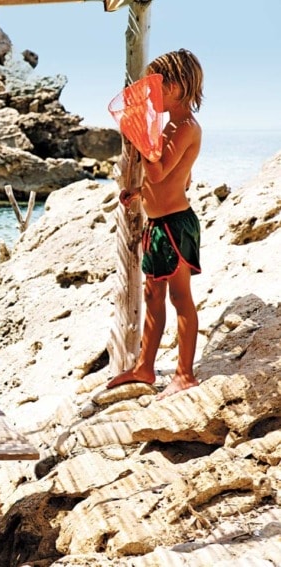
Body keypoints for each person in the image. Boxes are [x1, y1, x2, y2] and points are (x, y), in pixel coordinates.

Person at [106, 49, 204, 399]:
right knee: (153, 297)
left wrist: (141, 138)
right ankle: (145, 367)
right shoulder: (171, 126)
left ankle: (185, 374)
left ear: (176, 88)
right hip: (158, 226)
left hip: (176, 226)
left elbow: (160, 169)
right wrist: (137, 193)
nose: (149, 97)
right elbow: (175, 179)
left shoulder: (186, 127)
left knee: (180, 298)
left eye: (155, 90)